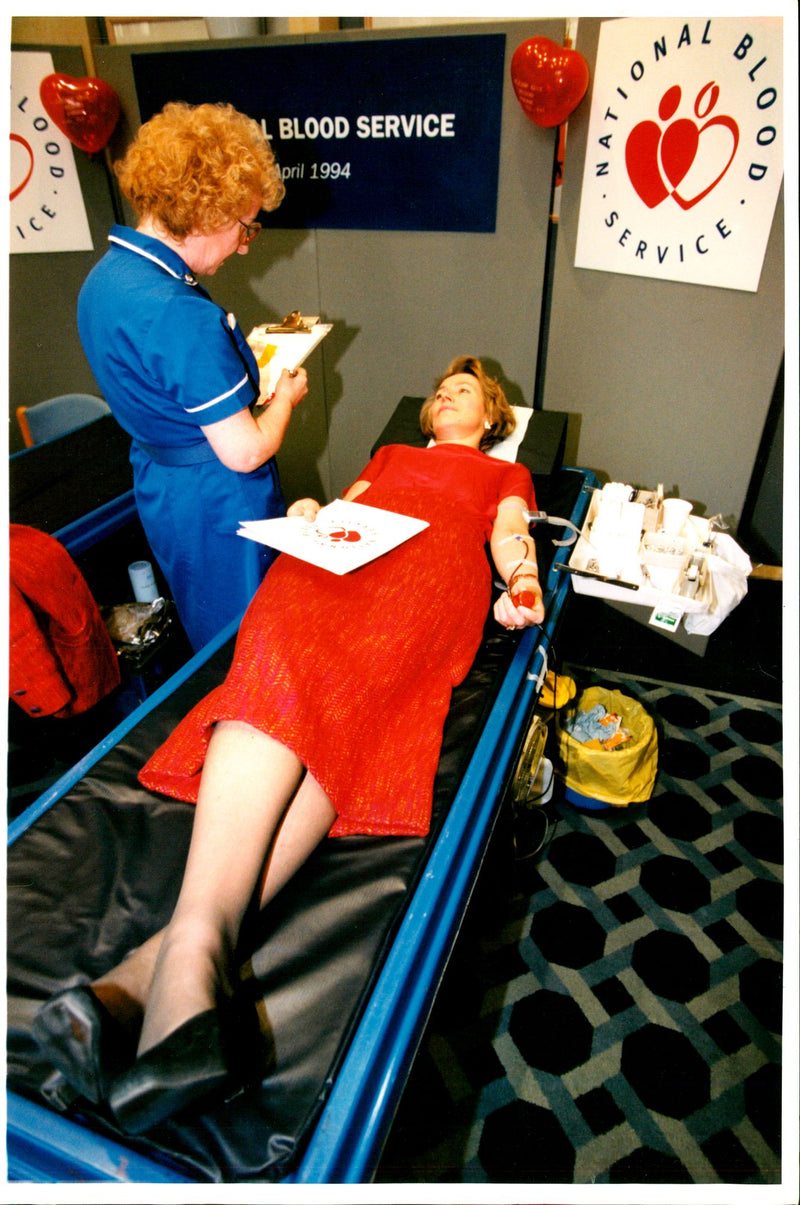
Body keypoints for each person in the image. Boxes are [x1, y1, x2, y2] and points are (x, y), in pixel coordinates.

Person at [32, 356, 545, 1133]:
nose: (445, 394)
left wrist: (522, 583)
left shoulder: (502, 475)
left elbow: (511, 538)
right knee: (274, 648)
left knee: (357, 711)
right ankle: (169, 990)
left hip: (427, 583)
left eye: (463, 389)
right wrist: (310, 508)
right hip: (338, 564)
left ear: (493, 416)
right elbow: (347, 505)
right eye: (439, 385)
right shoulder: (391, 455)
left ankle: (155, 975)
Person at [77, 102, 308, 650]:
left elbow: (160, 379)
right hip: (217, 497)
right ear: (209, 213)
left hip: (162, 482)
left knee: (206, 620)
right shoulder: (179, 311)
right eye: (245, 226)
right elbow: (245, 452)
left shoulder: (107, 279)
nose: (246, 244)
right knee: (246, 640)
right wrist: (286, 398)